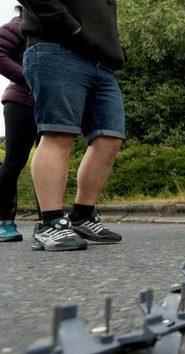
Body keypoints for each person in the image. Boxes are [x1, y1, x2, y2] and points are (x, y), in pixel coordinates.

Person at [21, 0, 127, 250]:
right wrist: (73, 28)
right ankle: (50, 222)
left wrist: (115, 48)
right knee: (58, 134)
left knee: (109, 139)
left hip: (101, 60)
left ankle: (82, 215)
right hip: (57, 46)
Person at [0, 5, 37, 242]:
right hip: (21, 102)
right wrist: (30, 77)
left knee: (51, 160)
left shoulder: (54, 27)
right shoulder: (19, 24)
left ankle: (51, 220)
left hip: (51, 104)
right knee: (14, 161)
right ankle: (4, 221)